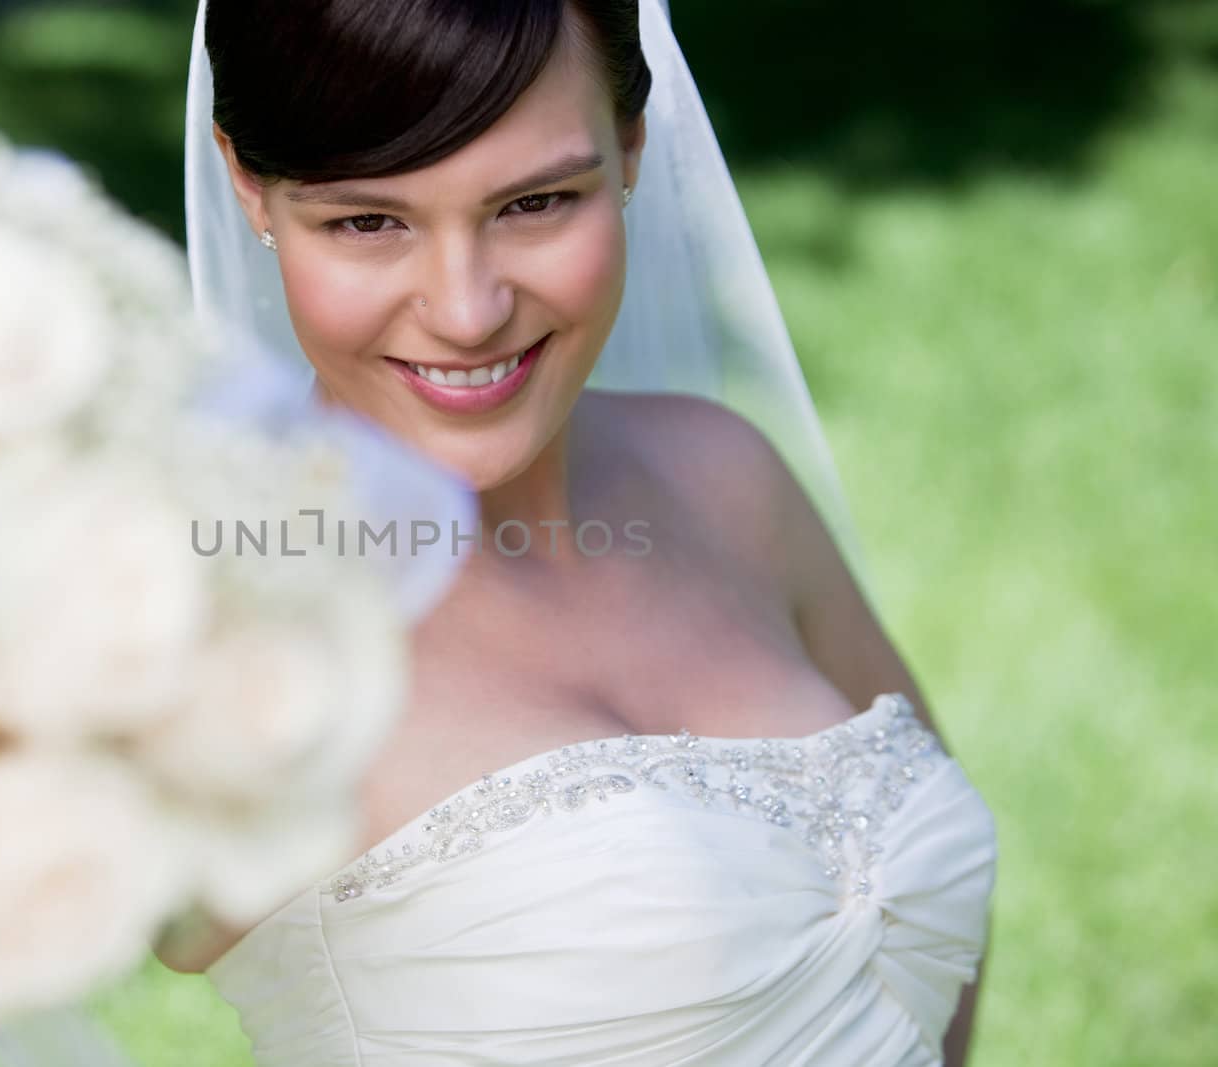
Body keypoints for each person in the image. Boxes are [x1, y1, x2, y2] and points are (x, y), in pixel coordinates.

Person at [170, 0, 998, 1064]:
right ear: (247, 185)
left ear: (632, 145)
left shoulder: (722, 474)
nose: (466, 311)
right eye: (368, 222)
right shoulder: (210, 623)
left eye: (534, 202)